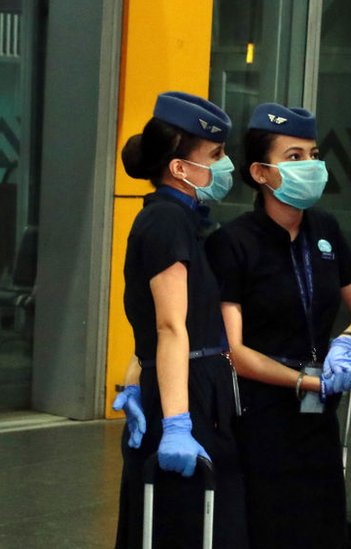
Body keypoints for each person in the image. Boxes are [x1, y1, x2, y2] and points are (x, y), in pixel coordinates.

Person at [205, 102, 351, 549]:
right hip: (261, 415)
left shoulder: (325, 228)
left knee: (321, 526)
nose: (311, 166)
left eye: (314, 154)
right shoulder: (234, 242)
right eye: (295, 157)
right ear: (261, 173)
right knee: (270, 527)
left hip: (319, 414)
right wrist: (301, 381)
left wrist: (347, 340)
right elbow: (234, 350)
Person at [114, 91, 248, 548]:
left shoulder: (181, 219)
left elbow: (149, 323)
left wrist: (132, 379)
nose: (225, 165)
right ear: (179, 168)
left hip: (192, 386)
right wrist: (176, 423)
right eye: (216, 155)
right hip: (186, 393)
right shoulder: (167, 222)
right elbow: (170, 326)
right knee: (184, 526)